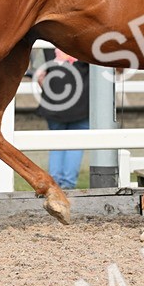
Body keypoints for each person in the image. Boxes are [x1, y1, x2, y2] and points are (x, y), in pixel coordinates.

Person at [35, 47, 91, 189]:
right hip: (82, 103)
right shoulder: (86, 42)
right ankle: (68, 184)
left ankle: (53, 184)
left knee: (56, 144)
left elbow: (40, 75)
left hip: (54, 103)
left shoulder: (46, 42)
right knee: (75, 145)